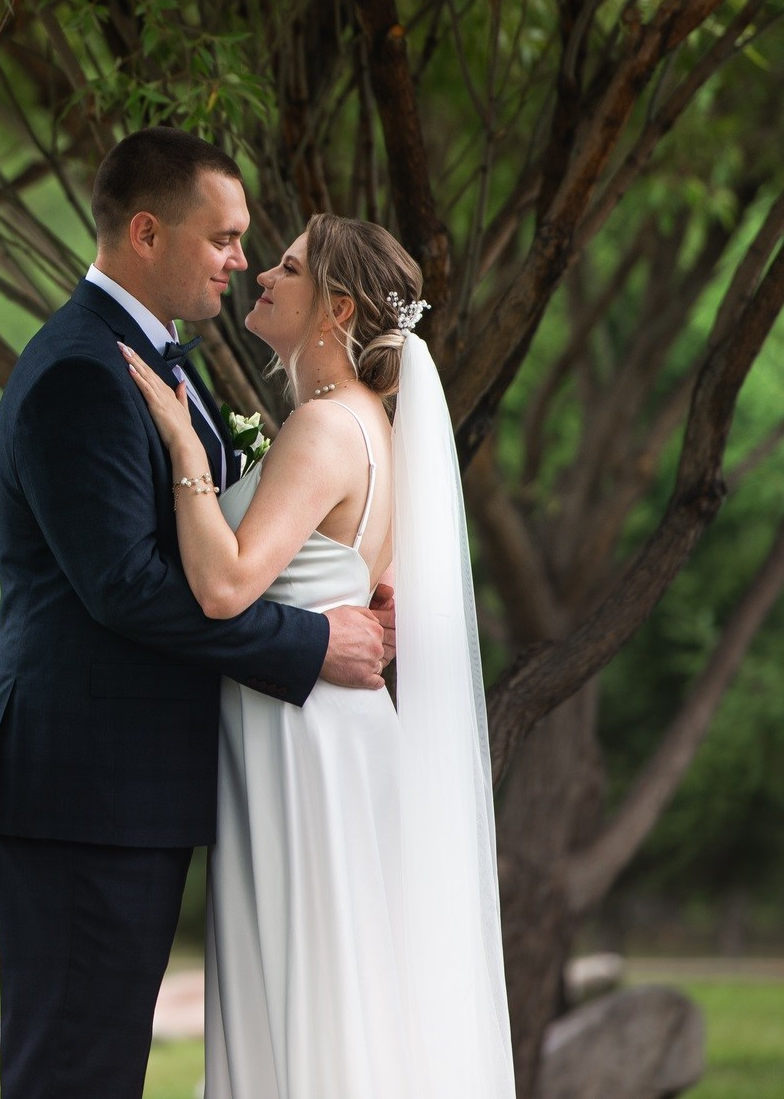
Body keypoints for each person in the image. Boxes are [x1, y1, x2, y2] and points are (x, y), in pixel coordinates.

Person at [0, 127, 395, 1099]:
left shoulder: (157, 360)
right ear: (146, 233)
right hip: (82, 783)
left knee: (101, 1064)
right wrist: (310, 640)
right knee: (75, 1071)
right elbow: (124, 586)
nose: (241, 260)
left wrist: (346, 586)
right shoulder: (80, 371)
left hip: (129, 784)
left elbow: (223, 544)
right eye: (222, 237)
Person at [121, 213, 515, 1097]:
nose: (262, 274)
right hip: (330, 724)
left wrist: (185, 449)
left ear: (337, 308)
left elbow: (226, 586)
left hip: (298, 736)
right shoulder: (373, 425)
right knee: (344, 985)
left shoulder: (325, 426)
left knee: (311, 986)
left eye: (290, 268)